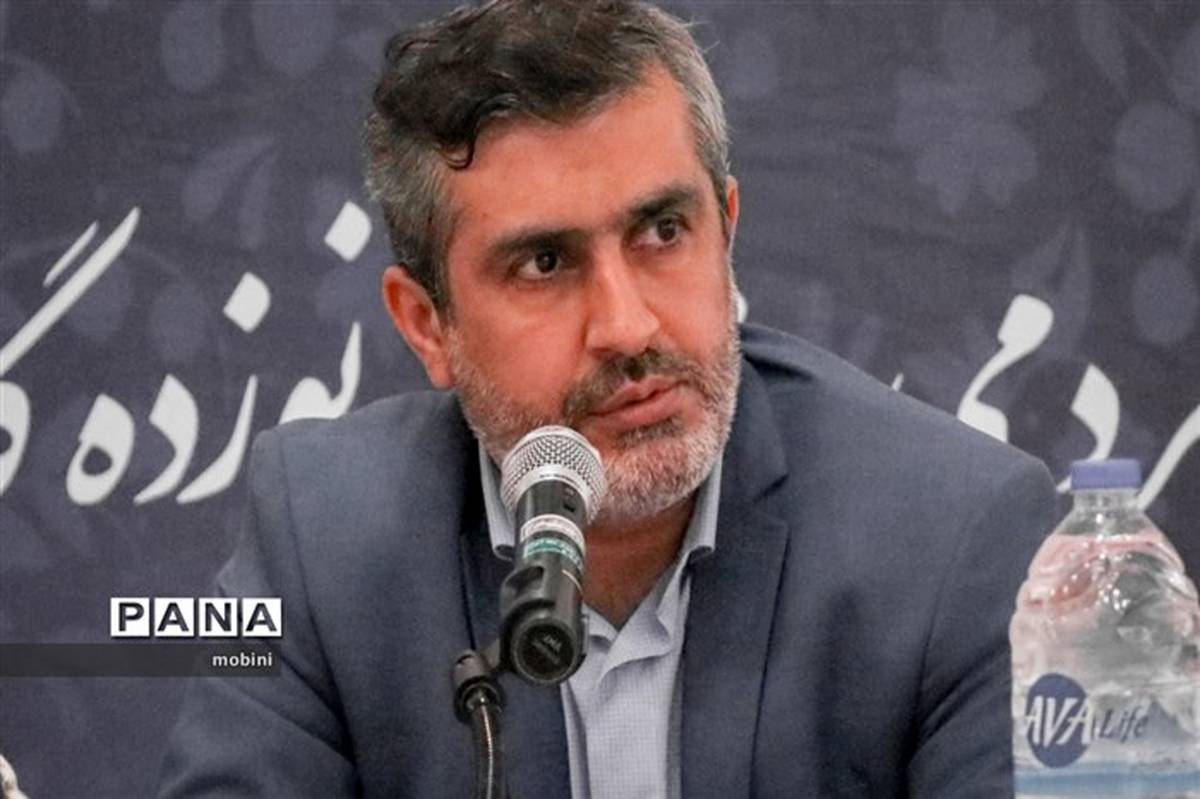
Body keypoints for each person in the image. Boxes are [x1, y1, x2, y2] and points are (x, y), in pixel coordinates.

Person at [159, 1, 1057, 796]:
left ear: (725, 230)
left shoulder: (954, 538)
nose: (627, 327)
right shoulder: (319, 538)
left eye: (663, 231)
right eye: (545, 262)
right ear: (427, 324)